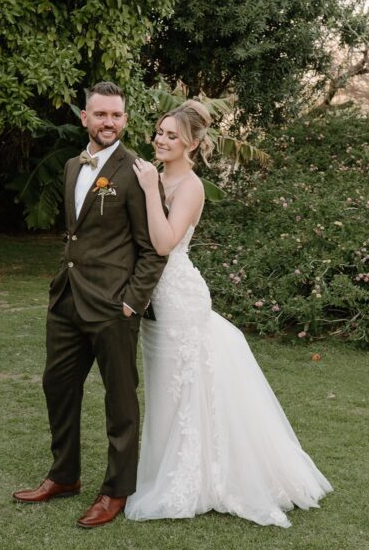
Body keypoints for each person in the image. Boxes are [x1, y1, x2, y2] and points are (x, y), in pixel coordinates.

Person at [125, 100, 333, 527]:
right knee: (166, 389)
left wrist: (147, 190)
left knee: (187, 389)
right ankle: (167, 466)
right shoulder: (155, 175)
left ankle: (198, 476)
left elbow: (164, 244)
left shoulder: (190, 187)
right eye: (159, 133)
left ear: (194, 144)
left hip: (179, 297)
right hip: (154, 300)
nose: (161, 140)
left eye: (171, 136)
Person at [12, 82, 168, 529]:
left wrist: (132, 303)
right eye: (100, 115)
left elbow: (153, 248)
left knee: (120, 402)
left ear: (125, 119)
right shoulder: (69, 166)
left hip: (112, 306)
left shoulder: (137, 171)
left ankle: (116, 490)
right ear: (85, 117)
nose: (109, 123)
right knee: (57, 386)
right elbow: (75, 233)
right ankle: (64, 476)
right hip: (67, 299)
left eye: (116, 116)